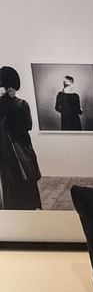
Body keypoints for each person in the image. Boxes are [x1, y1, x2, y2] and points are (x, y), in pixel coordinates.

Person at [0, 66, 42, 210]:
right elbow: (28, 126)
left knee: (7, 184)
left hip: (4, 152)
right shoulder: (21, 104)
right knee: (26, 183)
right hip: (19, 150)